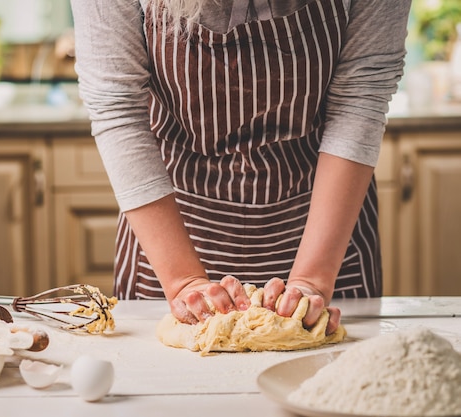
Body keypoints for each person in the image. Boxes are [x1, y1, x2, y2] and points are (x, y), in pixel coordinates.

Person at [70, 0, 411, 334]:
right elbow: (118, 104)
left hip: (325, 228)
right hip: (173, 228)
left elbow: (361, 94)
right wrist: (183, 281)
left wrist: (312, 280)